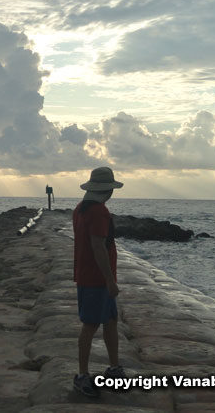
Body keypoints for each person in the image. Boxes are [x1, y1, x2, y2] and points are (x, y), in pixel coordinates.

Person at [72, 167, 125, 397]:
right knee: (91, 325)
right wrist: (110, 280)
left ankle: (114, 369)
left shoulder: (80, 209)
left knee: (111, 320)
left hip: (87, 275)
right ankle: (82, 375)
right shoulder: (98, 212)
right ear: (107, 190)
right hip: (96, 279)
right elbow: (98, 247)